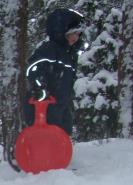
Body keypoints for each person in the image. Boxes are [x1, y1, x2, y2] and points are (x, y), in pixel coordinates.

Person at [24, 8, 86, 136]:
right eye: (73, 33)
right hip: (44, 106)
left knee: (63, 133)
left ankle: (59, 155)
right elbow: (33, 68)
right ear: (63, 32)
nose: (76, 37)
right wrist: (40, 88)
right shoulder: (50, 49)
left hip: (61, 105)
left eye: (78, 34)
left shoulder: (70, 55)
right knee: (44, 136)